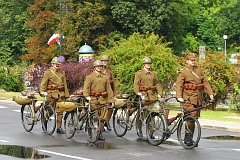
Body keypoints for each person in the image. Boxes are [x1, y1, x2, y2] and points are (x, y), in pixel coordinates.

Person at [176, 53, 214, 146]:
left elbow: (205, 82)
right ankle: (187, 138)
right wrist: (179, 97)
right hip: (188, 98)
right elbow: (179, 85)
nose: (193, 62)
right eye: (191, 60)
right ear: (187, 61)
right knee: (190, 117)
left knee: (194, 118)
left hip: (197, 98)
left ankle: (190, 138)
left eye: (194, 60)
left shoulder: (199, 70)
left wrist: (210, 93)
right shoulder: (183, 72)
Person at [83, 60, 114, 140]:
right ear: (94, 67)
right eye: (97, 66)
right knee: (94, 117)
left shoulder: (105, 77)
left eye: (100, 66)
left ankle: (99, 133)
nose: (99, 68)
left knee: (103, 118)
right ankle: (89, 127)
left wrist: (112, 100)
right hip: (94, 100)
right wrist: (87, 96)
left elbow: (109, 90)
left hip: (103, 100)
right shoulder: (90, 77)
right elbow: (86, 89)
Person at [39, 57, 70, 134]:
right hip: (51, 94)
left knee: (60, 111)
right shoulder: (48, 72)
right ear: (52, 64)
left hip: (60, 94)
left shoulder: (62, 72)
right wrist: (42, 91)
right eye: (56, 64)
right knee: (50, 110)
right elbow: (44, 83)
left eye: (58, 64)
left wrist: (67, 95)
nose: (57, 65)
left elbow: (65, 85)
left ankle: (59, 128)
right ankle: (44, 121)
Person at [100, 55, 116, 131]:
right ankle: (101, 124)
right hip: (102, 92)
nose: (105, 62)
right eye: (103, 61)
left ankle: (106, 121)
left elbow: (113, 82)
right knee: (102, 108)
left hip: (109, 92)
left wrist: (114, 93)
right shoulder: (98, 69)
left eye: (106, 61)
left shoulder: (109, 70)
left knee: (111, 107)